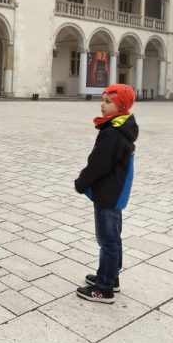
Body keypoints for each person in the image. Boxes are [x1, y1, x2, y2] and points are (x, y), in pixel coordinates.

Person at [73, 84, 138, 304]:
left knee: (107, 240)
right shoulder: (120, 127)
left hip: (108, 194)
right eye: (102, 100)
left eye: (108, 102)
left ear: (120, 105)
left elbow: (98, 164)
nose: (102, 105)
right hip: (114, 192)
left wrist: (81, 182)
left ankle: (104, 288)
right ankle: (111, 276)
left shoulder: (114, 133)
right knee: (113, 237)